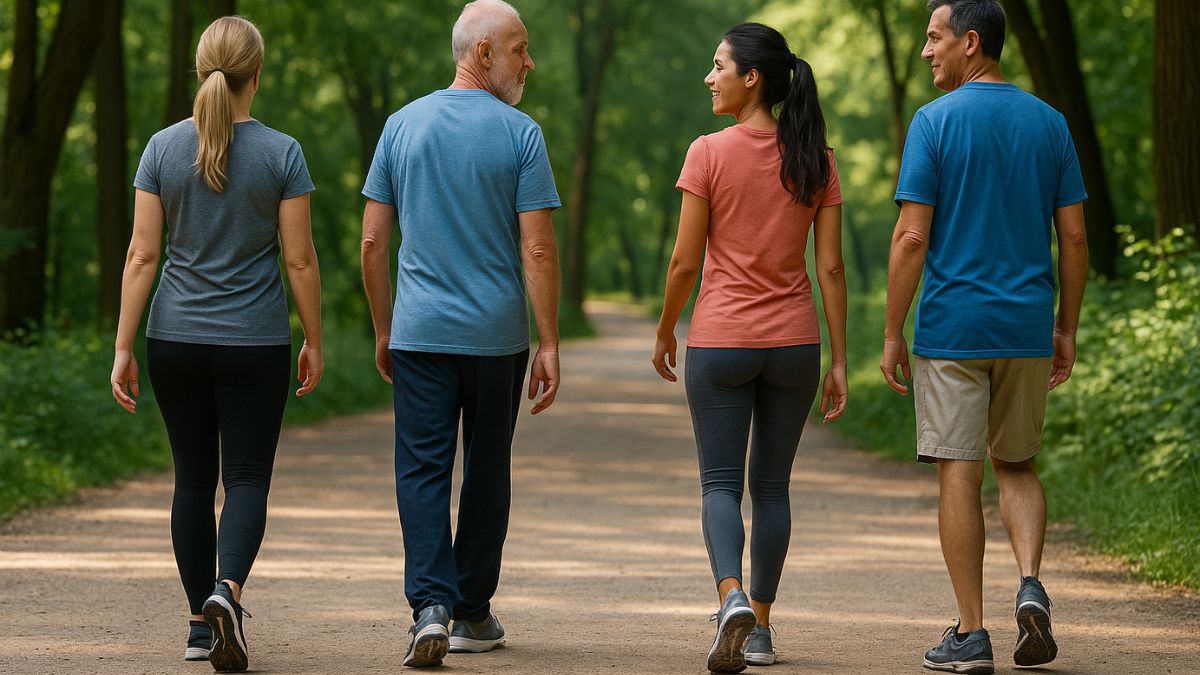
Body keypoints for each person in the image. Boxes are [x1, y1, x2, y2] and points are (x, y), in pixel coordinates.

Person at [109, 16, 323, 673]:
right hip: (254, 342)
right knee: (248, 477)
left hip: (173, 338)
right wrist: (314, 336)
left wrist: (122, 347)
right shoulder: (283, 153)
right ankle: (226, 592)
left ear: (202, 72)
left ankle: (200, 628)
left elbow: (143, 255)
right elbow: (300, 261)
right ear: (256, 75)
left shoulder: (160, 149)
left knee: (193, 480)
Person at [879, 1, 1089, 673]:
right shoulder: (1050, 122)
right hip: (1026, 325)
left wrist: (891, 329)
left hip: (953, 330)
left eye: (935, 38)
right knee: (1018, 464)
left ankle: (972, 632)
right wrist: (1066, 327)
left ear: (971, 42)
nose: (925, 51)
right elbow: (1076, 236)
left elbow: (912, 234)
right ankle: (1029, 582)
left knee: (959, 474)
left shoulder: (934, 123)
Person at [359, 0, 560, 668]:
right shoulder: (521, 134)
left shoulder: (401, 127)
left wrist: (384, 327)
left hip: (419, 334)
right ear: (482, 54)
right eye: (519, 49)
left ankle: (431, 607)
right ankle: (472, 609)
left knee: (421, 468)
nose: (529, 62)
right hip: (497, 337)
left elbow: (371, 242)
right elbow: (538, 252)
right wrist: (550, 339)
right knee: (486, 468)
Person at [652, 22, 848, 674]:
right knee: (772, 487)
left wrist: (664, 328)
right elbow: (831, 271)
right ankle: (759, 628)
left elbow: (684, 261)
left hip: (722, 340)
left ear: (751, 78)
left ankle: (730, 595)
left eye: (718, 66)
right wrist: (841, 358)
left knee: (718, 483)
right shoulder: (815, 158)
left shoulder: (707, 152)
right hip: (795, 342)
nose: (710, 77)